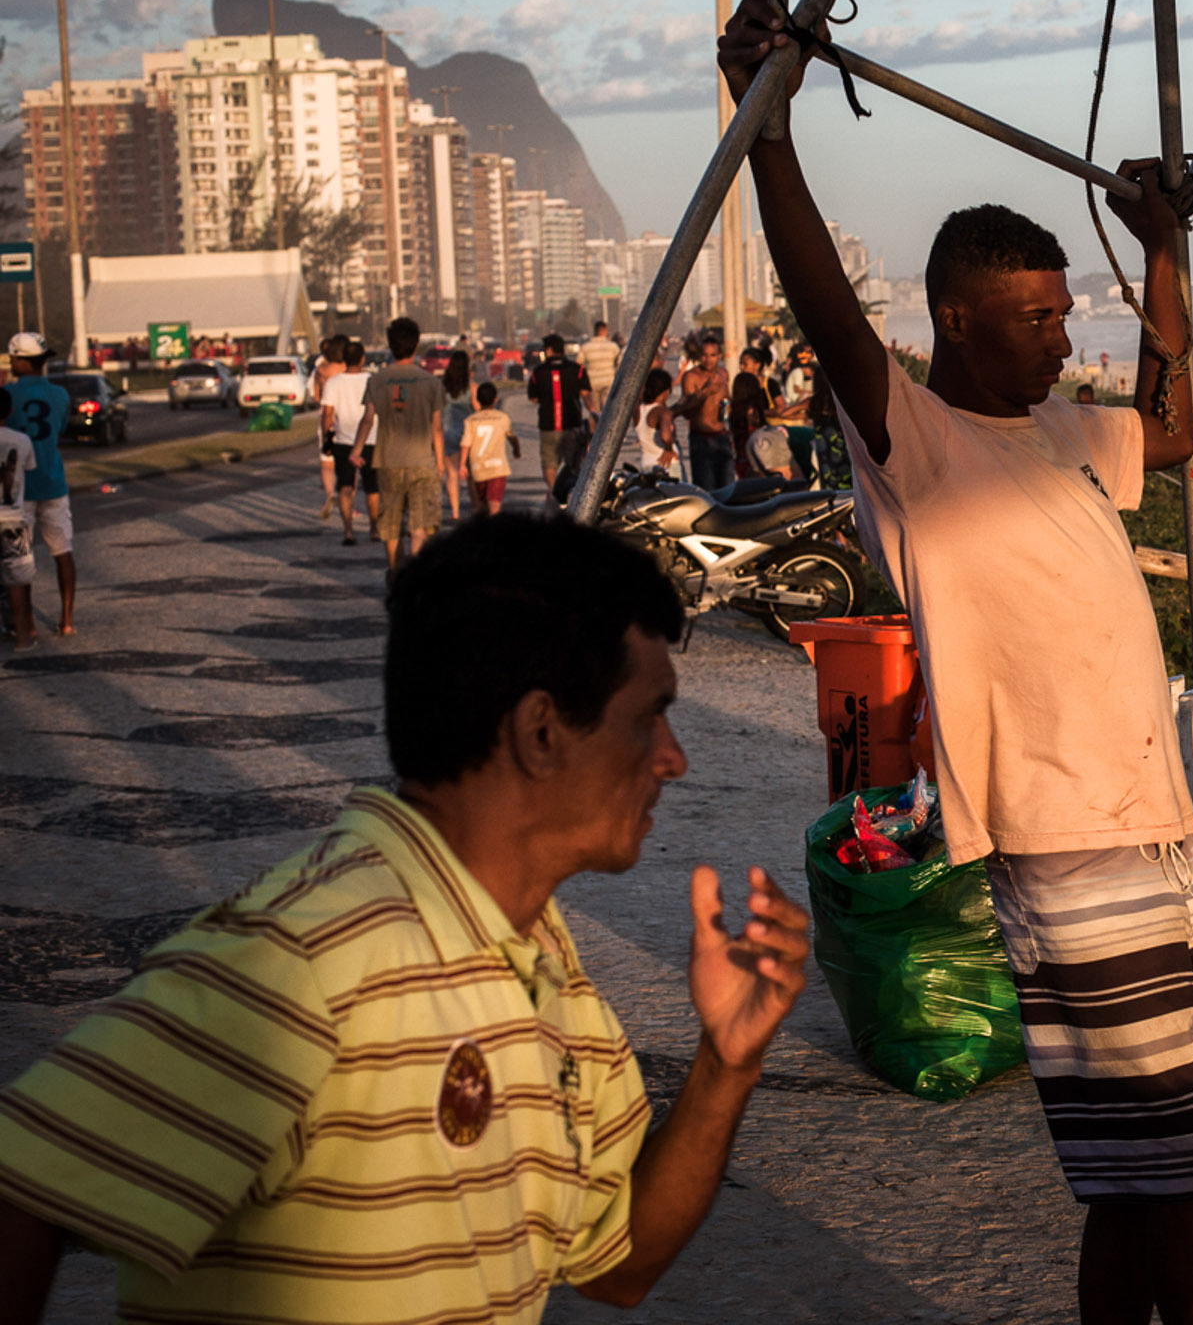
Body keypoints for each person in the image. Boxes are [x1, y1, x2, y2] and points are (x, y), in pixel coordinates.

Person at [721, 0, 1193, 1325]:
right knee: (1169, 1194)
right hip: (1066, 850)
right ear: (954, 320)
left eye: (1069, 315)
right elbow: (829, 309)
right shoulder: (916, 441)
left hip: (1161, 831)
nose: (1063, 339)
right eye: (1036, 318)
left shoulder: (1065, 431)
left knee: (1175, 1182)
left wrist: (1162, 256)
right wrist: (767, 122)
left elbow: (1169, 430)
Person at [0, 513, 811, 1322]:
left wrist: (725, 1064)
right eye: (647, 718)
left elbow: (617, 1268)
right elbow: (24, 1184)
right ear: (539, 732)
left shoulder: (550, 976)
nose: (674, 757)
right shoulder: (306, 958)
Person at [361, 317, 445, 574]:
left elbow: (367, 419)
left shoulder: (377, 380)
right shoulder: (431, 382)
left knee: (391, 525)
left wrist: (356, 450)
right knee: (420, 525)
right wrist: (440, 463)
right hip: (422, 461)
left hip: (388, 460)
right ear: (417, 344)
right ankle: (416, 575)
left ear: (390, 345)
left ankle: (396, 573)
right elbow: (437, 428)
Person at [3, 332, 75, 637]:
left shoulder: (7, 394)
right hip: (54, 481)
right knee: (63, 551)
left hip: (19, 488)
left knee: (20, 558)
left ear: (20, 360)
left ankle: (27, 624)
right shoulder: (60, 395)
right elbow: (59, 428)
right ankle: (67, 619)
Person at [322, 340, 374, 547]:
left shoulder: (334, 383)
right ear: (363, 359)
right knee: (373, 488)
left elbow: (327, 414)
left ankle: (348, 531)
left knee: (345, 486)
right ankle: (375, 528)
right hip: (371, 439)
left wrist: (326, 437)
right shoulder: (372, 380)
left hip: (343, 441)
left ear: (344, 359)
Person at [527, 333, 593, 496]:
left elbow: (533, 398)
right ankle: (571, 493)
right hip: (572, 423)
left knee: (549, 463)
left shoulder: (538, 372)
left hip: (548, 424)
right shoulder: (577, 370)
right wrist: (593, 413)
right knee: (573, 463)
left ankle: (554, 490)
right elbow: (585, 394)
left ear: (549, 350)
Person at [0, 387, 35, 649]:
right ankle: (23, 637)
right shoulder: (22, 441)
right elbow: (28, 469)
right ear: (10, 412)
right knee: (17, 581)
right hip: (13, 518)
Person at [678, 335, 734, 493]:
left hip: (722, 436)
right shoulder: (691, 377)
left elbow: (728, 400)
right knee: (706, 490)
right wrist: (705, 392)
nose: (708, 360)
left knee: (728, 488)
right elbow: (687, 411)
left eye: (713, 355)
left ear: (719, 356)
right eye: (704, 355)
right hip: (701, 439)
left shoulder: (723, 374)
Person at [462, 382, 521, 516]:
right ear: (495, 399)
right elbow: (512, 437)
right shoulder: (503, 418)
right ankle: (493, 530)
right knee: (494, 503)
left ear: (477, 399)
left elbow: (466, 444)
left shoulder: (471, 420)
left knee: (481, 505)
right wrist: (516, 450)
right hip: (497, 468)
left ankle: (485, 530)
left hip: (478, 468)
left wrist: (462, 464)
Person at [309, 333, 350, 518]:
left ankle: (329, 494)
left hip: (327, 417)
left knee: (327, 462)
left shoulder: (322, 370)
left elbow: (316, 397)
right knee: (348, 463)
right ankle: (348, 501)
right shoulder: (348, 368)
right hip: (347, 417)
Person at [440, 347, 476, 521]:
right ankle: (476, 508)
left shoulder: (442, 386)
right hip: (467, 434)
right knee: (471, 474)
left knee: (452, 474)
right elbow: (477, 409)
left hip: (447, 432)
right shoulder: (471, 387)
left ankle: (455, 512)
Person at [729, 346, 772, 478]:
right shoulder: (753, 411)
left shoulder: (735, 410)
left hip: (741, 458)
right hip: (757, 458)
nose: (742, 367)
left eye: (744, 364)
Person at [634, 367, 677, 473]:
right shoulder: (662, 412)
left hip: (646, 463)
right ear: (667, 391)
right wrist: (668, 449)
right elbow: (665, 436)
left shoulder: (638, 410)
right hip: (666, 465)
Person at [581, 319, 623, 407]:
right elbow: (619, 365)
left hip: (592, 382)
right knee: (607, 409)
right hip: (609, 381)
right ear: (605, 331)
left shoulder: (586, 347)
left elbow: (579, 364)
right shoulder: (613, 346)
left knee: (595, 410)